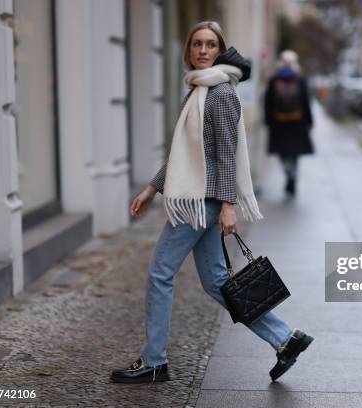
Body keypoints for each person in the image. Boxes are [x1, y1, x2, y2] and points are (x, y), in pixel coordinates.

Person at [110, 21, 313, 384]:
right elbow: (184, 155)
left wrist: (228, 205)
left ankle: (155, 361)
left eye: (210, 45)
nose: (203, 50)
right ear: (188, 51)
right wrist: (152, 188)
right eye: (197, 45)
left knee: (159, 276)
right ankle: (285, 338)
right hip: (198, 198)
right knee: (217, 281)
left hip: (199, 203)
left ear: (219, 51)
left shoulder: (219, 93)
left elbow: (224, 155)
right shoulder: (199, 89)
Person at [264, 50, 314, 196]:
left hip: (278, 123)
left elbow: (267, 103)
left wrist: (268, 121)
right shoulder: (300, 79)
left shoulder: (274, 80)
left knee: (282, 152)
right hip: (297, 123)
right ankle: (292, 176)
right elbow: (306, 103)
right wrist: (309, 121)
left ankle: (288, 172)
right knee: (295, 153)